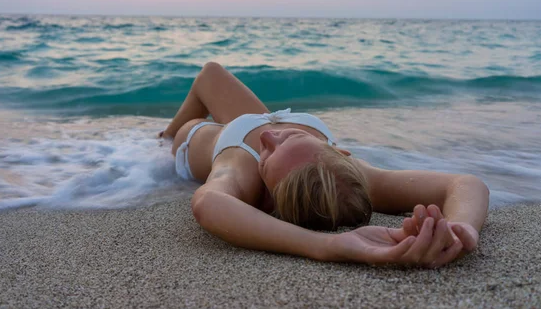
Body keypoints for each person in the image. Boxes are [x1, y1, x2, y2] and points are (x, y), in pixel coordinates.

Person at [159, 62, 489, 267]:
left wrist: (327, 247)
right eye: (291, 138)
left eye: (268, 159)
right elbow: (465, 184)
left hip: (197, 139)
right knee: (211, 72)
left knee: (207, 79)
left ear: (268, 196)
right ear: (340, 154)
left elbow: (207, 204)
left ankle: (163, 136)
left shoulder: (241, 172)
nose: (269, 139)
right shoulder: (355, 176)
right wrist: (463, 227)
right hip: (251, 117)